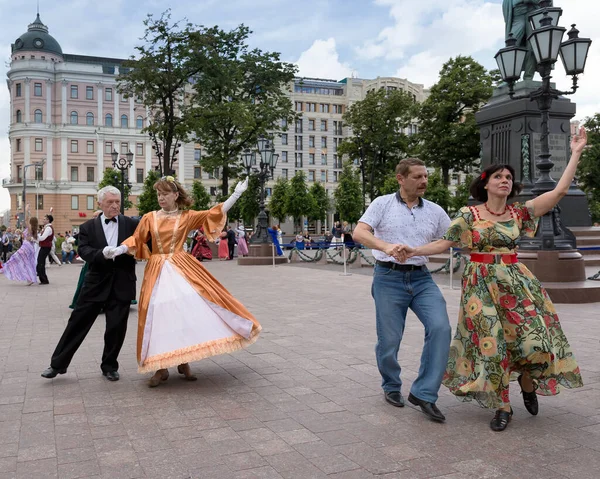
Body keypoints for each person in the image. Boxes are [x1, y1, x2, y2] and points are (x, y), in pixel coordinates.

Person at [398, 128, 587, 431]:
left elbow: (559, 193)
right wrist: (414, 250)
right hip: (480, 286)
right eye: (498, 176)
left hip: (517, 282)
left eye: (509, 178)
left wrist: (575, 152)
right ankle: (502, 406)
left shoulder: (520, 213)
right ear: (486, 183)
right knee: (492, 347)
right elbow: (444, 243)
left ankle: (527, 383)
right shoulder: (468, 215)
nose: (505, 180)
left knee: (533, 340)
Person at [114, 176, 261, 387]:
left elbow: (213, 213)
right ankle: (160, 367)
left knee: (185, 311)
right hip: (156, 270)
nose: (161, 197)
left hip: (182, 267)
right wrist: (119, 249)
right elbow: (137, 239)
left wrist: (236, 195)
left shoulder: (186, 216)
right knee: (157, 315)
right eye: (158, 194)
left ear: (176, 195)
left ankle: (183, 361)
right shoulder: (149, 217)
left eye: (165, 193)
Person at [352, 158, 452, 422]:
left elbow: (450, 239)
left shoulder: (435, 210)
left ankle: (424, 393)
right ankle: (391, 386)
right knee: (390, 339)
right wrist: (385, 247)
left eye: (426, 176)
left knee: (441, 328)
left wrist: (418, 250)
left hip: (422, 279)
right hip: (388, 277)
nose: (424, 181)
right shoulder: (381, 204)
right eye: (418, 177)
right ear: (401, 178)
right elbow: (359, 233)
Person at [41, 186, 140, 381]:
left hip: (122, 283)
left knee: (116, 327)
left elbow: (143, 243)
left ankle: (109, 366)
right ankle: (57, 364)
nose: (114, 205)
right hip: (95, 283)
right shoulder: (88, 227)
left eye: (117, 202)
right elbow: (84, 251)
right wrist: (101, 254)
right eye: (110, 202)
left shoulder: (131, 224)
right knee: (76, 324)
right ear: (100, 203)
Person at [502, 0, 549, 81]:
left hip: (531, 13)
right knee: (511, 44)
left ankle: (528, 77)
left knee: (532, 46)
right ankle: (509, 78)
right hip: (517, 16)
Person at [2, 215, 39, 285]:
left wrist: (27, 210)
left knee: (15, 258)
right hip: (30, 247)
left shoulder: (30, 228)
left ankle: (5, 267)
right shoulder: (34, 230)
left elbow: (26, 220)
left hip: (26, 246)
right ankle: (30, 279)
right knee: (27, 263)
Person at [36, 214, 55, 284]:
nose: (43, 220)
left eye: (45, 219)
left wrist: (35, 237)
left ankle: (44, 279)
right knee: (40, 262)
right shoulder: (46, 227)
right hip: (45, 246)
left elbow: (42, 238)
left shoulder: (48, 228)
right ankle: (43, 278)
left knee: (40, 262)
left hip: (46, 247)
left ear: (48, 220)